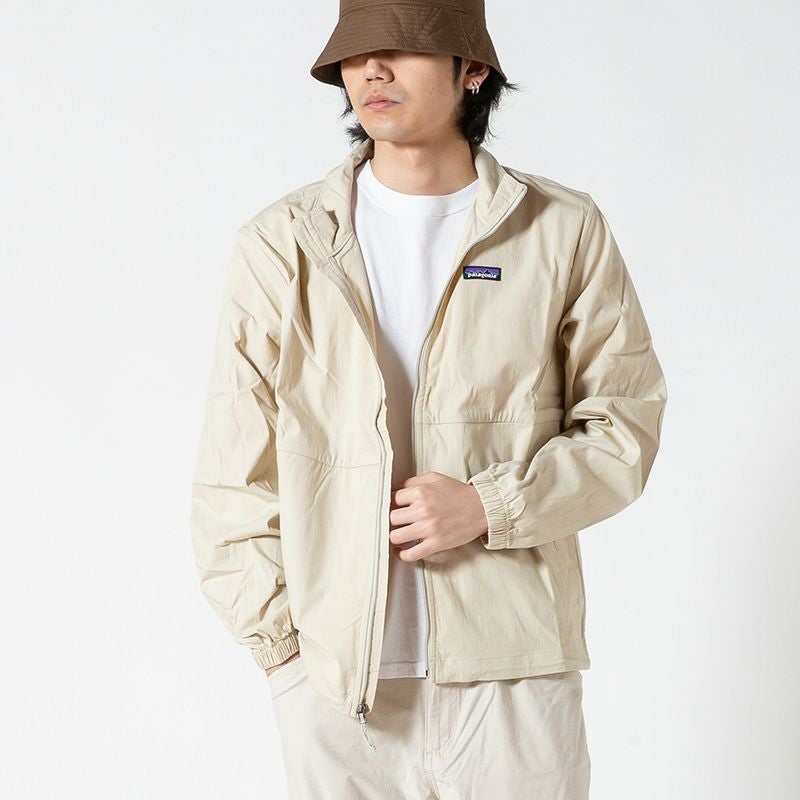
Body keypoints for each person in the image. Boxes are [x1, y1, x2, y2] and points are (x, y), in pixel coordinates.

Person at [189, 1, 668, 797]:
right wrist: (283, 653)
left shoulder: (559, 229)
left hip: (514, 674)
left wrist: (488, 506)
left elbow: (624, 424)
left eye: (403, 49)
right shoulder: (282, 242)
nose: (372, 71)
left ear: (472, 69)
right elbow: (232, 469)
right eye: (356, 52)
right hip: (337, 686)